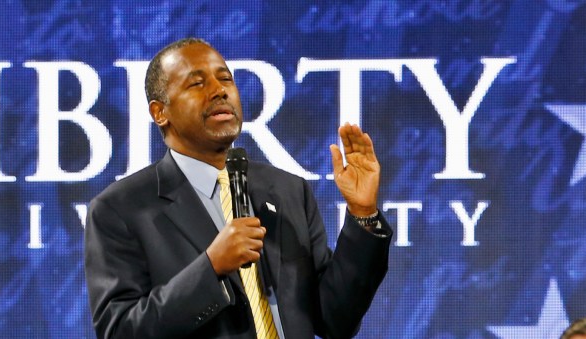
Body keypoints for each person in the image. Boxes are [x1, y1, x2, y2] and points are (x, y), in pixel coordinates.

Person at [84, 37, 392, 339]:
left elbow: (334, 319)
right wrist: (211, 267)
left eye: (225, 79)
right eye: (197, 83)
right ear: (159, 112)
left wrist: (363, 214)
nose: (219, 91)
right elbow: (120, 329)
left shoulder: (287, 191)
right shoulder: (120, 209)